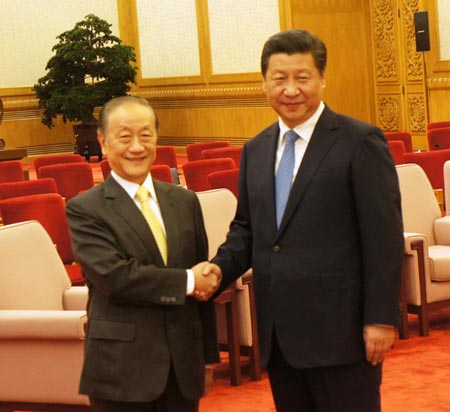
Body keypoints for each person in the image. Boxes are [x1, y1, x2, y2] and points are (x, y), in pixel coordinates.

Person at [208, 29, 404, 411]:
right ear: (264, 83)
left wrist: (381, 317)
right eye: (279, 79)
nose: (291, 90)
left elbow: (383, 237)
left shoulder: (359, 141)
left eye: (302, 77)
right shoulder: (256, 149)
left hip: (342, 334)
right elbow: (248, 229)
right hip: (281, 336)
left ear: (322, 78)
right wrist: (217, 271)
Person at [66, 95, 222, 412]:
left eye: (145, 135)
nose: (136, 146)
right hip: (122, 371)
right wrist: (188, 282)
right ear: (103, 142)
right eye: (125, 136)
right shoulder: (85, 209)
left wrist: (206, 358)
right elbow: (116, 278)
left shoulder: (184, 201)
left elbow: (202, 286)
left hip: (182, 371)